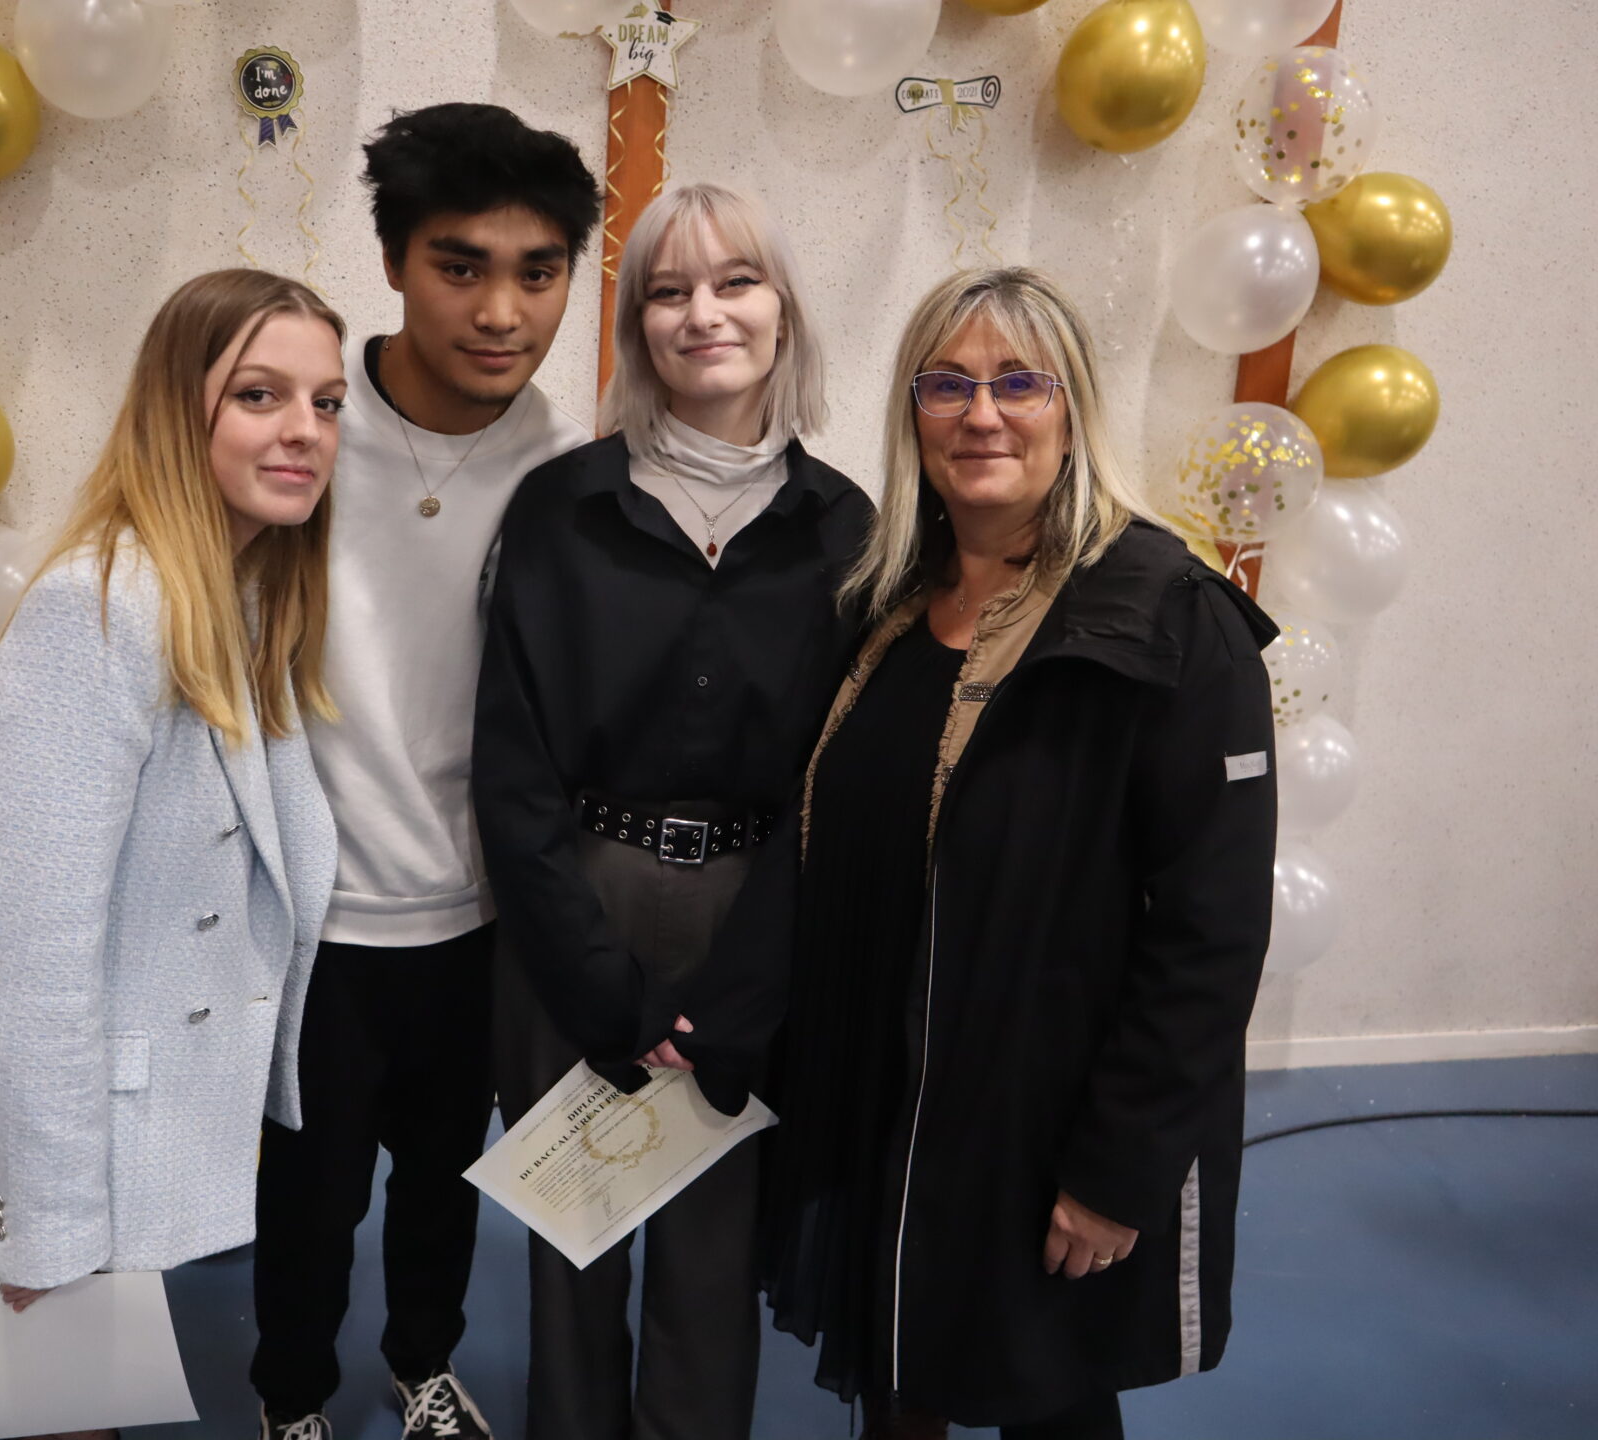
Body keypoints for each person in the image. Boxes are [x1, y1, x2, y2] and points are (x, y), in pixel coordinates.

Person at [760, 266, 1279, 1440]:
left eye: (1017, 383)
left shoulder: (1167, 621)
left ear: (1072, 409)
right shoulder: (887, 604)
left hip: (1042, 1119)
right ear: (912, 416)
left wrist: (1118, 1169)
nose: (981, 414)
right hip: (889, 1093)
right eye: (946, 385)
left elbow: (1210, 939)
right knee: (898, 1374)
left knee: (1047, 1395)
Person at [0, 268, 348, 1440]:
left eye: (327, 402)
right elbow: (30, 961)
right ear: (179, 410)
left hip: (103, 1153)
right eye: (260, 395)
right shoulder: (103, 607)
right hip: (30, 1183)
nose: (305, 430)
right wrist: (52, 1233)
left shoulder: (240, 596)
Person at [474, 182, 873, 1440]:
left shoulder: (849, 529)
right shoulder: (561, 507)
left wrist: (749, 991)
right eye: (668, 291)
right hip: (576, 903)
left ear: (783, 309)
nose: (706, 314)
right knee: (575, 1245)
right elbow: (513, 771)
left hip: (760, 913)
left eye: (736, 282)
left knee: (713, 1255)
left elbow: (840, 786)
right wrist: (602, 989)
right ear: (638, 327)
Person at [249, 103, 599, 1440]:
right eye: (461, 266)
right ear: (395, 262)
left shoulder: (567, 473)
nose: (502, 311)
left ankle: (423, 1368)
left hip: (482, 918)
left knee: (448, 1180)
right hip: (317, 918)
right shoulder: (303, 434)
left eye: (538, 271)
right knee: (309, 1195)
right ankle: (290, 1398)